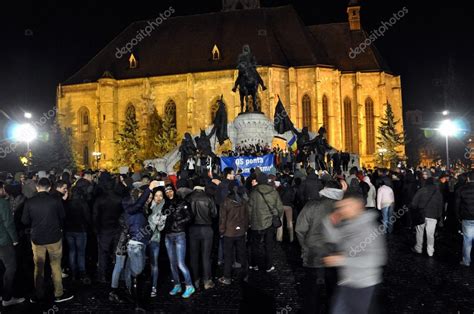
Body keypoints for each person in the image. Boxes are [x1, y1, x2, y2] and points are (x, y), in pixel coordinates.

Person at [323, 192, 387, 314]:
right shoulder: (349, 224)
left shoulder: (370, 228)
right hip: (346, 282)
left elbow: (377, 258)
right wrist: (329, 222)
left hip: (364, 286)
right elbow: (335, 239)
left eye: (346, 206)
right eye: (341, 207)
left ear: (358, 206)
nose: (342, 210)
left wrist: (342, 260)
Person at [21, 178, 74, 303]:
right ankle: (59, 293)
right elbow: (62, 216)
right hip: (54, 238)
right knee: (55, 266)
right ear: (49, 188)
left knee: (38, 267)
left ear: (38, 187)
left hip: (37, 238)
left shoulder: (30, 202)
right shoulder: (55, 200)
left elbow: (25, 221)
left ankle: (39, 294)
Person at [295, 180, 343, 314]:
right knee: (333, 289)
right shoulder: (342, 208)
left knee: (312, 291)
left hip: (313, 253)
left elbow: (300, 229)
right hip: (335, 254)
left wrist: (304, 246)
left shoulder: (312, 205)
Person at [163, 184, 195, 298]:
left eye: (170, 190)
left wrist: (178, 223)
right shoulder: (165, 204)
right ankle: (177, 284)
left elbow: (190, 217)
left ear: (174, 190)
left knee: (181, 263)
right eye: (166, 192)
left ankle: (189, 285)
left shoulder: (182, 202)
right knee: (172, 264)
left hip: (179, 235)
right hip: (168, 236)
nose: (168, 193)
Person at [248, 173, 283, 272]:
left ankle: (254, 264)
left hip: (256, 221)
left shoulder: (254, 193)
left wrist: (250, 221)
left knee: (255, 245)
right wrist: (277, 216)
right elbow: (279, 207)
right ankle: (268, 265)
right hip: (270, 222)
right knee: (269, 245)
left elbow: (249, 209)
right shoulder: (273, 192)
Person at [187, 178, 218, 290]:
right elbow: (214, 214)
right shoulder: (209, 197)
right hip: (206, 229)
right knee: (206, 256)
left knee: (194, 256)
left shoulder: (188, 198)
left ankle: (195, 280)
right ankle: (207, 281)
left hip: (192, 229)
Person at [93, 172, 123, 283]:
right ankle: (117, 275)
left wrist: (96, 228)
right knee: (117, 253)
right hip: (116, 228)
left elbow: (95, 215)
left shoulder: (100, 199)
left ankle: (103, 275)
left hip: (104, 229)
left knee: (103, 254)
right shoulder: (119, 198)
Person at [218, 181, 249, 285]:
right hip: (240, 232)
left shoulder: (226, 201)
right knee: (242, 254)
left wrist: (221, 231)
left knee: (228, 256)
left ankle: (227, 277)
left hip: (229, 233)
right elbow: (246, 218)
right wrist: (244, 229)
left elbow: (223, 219)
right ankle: (245, 275)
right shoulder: (244, 201)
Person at [0, 181, 25, 307]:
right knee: (11, 268)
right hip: (4, 241)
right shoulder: (2, 203)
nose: (4, 190)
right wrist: (15, 239)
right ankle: (7, 297)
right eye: (3, 188)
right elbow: (8, 223)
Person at [64, 180, 92, 283]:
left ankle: (73, 272)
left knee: (72, 251)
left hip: (69, 230)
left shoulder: (67, 203)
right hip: (80, 230)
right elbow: (88, 217)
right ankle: (82, 271)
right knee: (81, 252)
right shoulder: (83, 203)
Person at [410, 177, 443, 257]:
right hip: (433, 215)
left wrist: (415, 210)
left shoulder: (421, 190)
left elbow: (414, 203)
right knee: (430, 234)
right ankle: (430, 251)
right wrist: (439, 216)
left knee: (419, 232)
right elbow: (440, 205)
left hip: (421, 214)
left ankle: (418, 248)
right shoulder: (438, 192)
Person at [147, 187, 167, 297]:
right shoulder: (148, 205)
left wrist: (159, 221)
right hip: (144, 239)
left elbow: (160, 228)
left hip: (155, 239)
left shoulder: (164, 208)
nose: (158, 198)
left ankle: (153, 286)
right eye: (156, 195)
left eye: (161, 196)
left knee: (154, 264)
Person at [455, 171, 474, 266]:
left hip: (467, 217)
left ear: (468, 178)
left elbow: (457, 205)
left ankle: (466, 260)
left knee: (467, 240)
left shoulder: (461, 189)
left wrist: (458, 216)